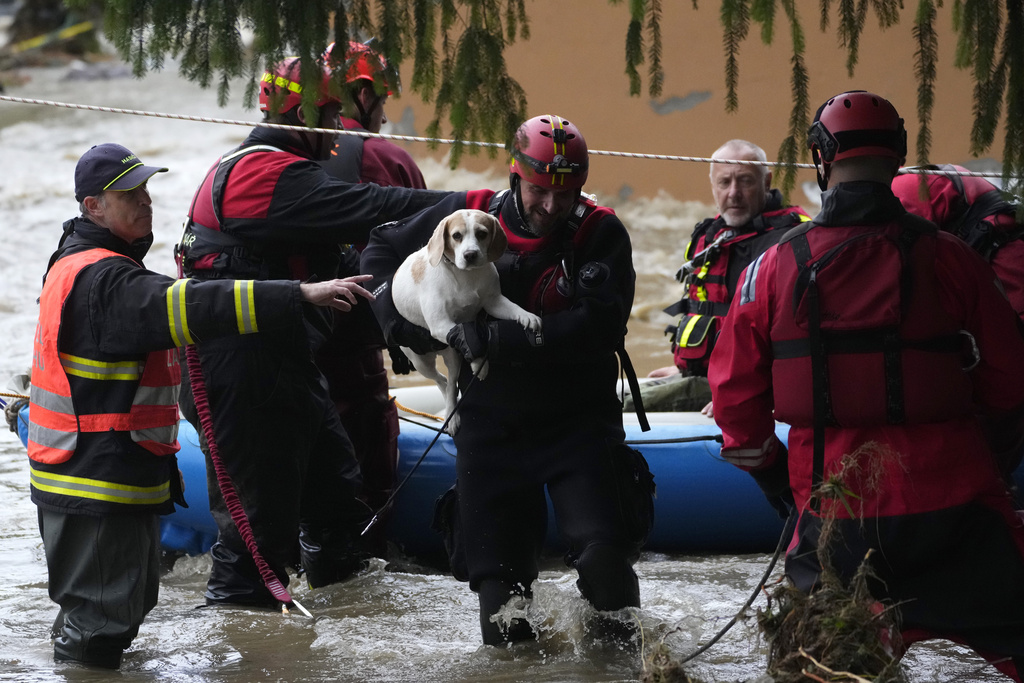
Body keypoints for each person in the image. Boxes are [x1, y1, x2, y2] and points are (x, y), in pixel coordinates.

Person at [710, 90, 1024, 680]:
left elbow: (735, 407)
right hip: (960, 511)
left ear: (821, 159)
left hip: (836, 518)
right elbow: (1009, 384)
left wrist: (779, 481)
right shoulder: (954, 258)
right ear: (899, 159)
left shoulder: (769, 269)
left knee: (815, 667)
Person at [29, 143, 374, 668]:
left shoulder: (79, 262)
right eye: (129, 195)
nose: (145, 203)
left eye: (146, 191)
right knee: (99, 627)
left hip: (96, 478)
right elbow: (191, 304)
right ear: (92, 206)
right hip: (97, 481)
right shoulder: (107, 278)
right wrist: (297, 295)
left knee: (110, 618)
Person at [360, 114, 655, 646]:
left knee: (606, 563)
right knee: (500, 604)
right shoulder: (471, 214)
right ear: (516, 176)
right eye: (539, 190)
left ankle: (621, 668)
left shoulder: (600, 232)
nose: (550, 205)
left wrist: (497, 342)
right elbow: (379, 249)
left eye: (565, 193)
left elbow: (600, 327)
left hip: (578, 422)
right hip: (490, 427)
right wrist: (392, 320)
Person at [175, 55, 448, 607]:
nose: (341, 126)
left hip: (291, 364)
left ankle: (342, 631)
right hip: (241, 375)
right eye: (331, 112)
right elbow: (376, 207)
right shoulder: (266, 173)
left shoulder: (288, 167)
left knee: (336, 505)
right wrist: (471, 203)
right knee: (256, 540)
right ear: (303, 113)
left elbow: (363, 258)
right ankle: (242, 654)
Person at [316, 40, 427, 557]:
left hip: (282, 335)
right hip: (354, 341)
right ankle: (364, 558)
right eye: (381, 99)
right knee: (364, 458)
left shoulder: (262, 159)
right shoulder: (384, 157)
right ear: (361, 95)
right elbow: (426, 255)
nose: (384, 114)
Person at [635, 140, 809, 415]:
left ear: (767, 181)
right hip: (704, 377)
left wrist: (743, 394)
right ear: (712, 185)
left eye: (745, 181)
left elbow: (793, 336)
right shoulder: (710, 235)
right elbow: (702, 312)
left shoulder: (791, 242)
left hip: (747, 388)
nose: (734, 193)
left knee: (611, 404)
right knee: (604, 392)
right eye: (724, 182)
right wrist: (686, 368)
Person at [892, 164, 1024, 320]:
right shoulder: (919, 177)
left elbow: (900, 266)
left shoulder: (901, 188)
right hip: (1003, 255)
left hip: (1005, 265)